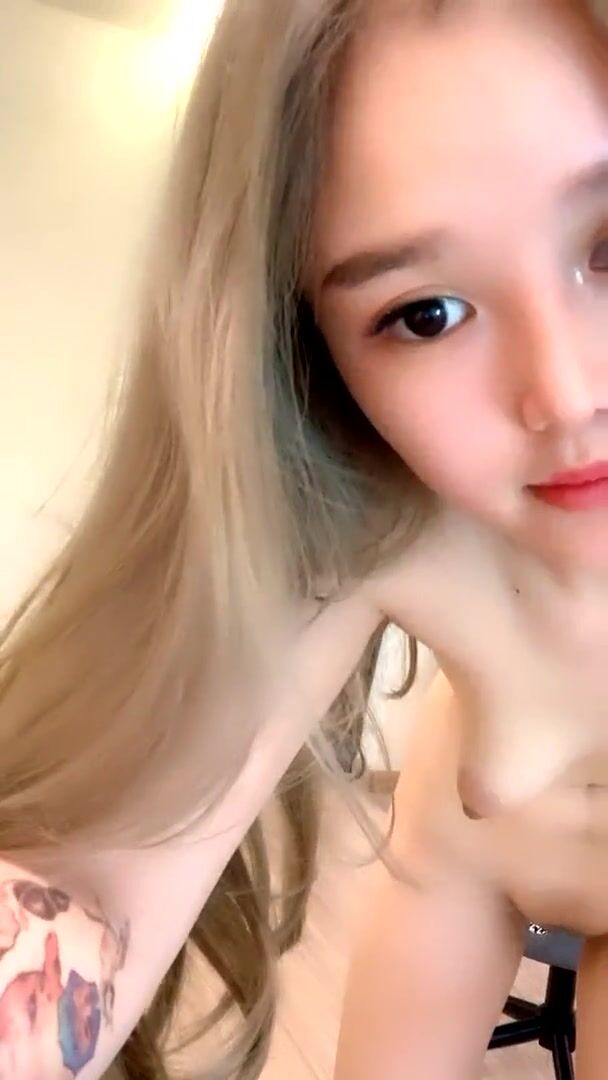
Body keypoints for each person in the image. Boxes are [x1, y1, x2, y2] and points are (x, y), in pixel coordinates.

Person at [0, 0, 606, 1077]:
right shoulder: (378, 520)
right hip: (469, 850)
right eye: (425, 315)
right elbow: (92, 890)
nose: (563, 394)